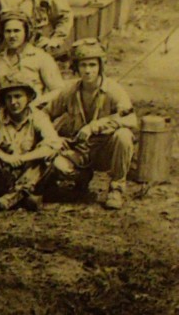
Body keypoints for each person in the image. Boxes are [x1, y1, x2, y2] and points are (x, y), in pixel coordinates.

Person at [45, 39, 136, 210]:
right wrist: (53, 137)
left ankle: (116, 188)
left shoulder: (113, 89)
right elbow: (44, 114)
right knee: (58, 164)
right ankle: (82, 179)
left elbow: (131, 120)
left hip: (105, 150)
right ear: (76, 67)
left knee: (123, 136)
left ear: (100, 66)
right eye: (83, 65)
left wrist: (96, 125)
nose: (88, 70)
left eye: (92, 65)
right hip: (80, 149)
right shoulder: (70, 91)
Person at [0, 71, 62, 211]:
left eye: (18, 96)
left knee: (48, 154)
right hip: (4, 175)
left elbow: (54, 144)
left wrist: (23, 157)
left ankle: (13, 197)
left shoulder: (38, 117)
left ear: (28, 97)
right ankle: (25, 197)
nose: (14, 102)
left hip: (30, 173)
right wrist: (5, 157)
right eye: (9, 98)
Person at [0, 11, 64, 115]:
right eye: (8, 31)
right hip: (1, 120)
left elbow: (58, 90)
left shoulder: (42, 58)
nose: (12, 35)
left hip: (32, 117)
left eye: (17, 31)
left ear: (26, 32)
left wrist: (36, 104)